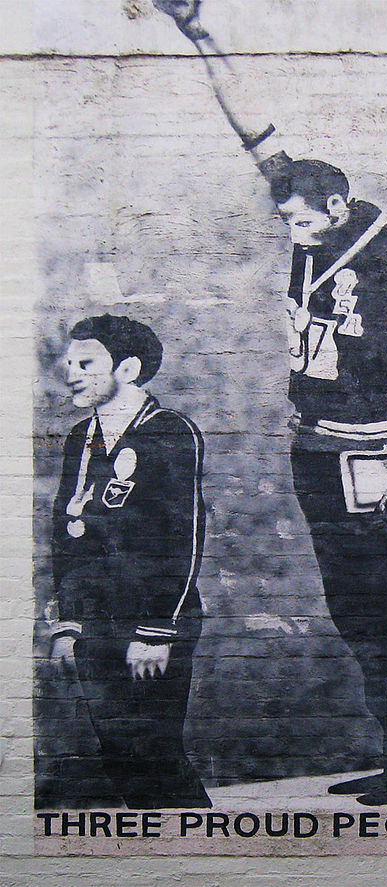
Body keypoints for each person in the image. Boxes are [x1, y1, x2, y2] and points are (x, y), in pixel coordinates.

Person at [151, 0, 387, 805]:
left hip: (380, 453)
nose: (293, 233)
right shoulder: (311, 220)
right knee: (357, 609)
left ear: (338, 207)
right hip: (316, 447)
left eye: (302, 221)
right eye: (285, 221)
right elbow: (255, 133)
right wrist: (200, 34)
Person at [49, 313, 211, 809]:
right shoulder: (82, 436)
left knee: (154, 749)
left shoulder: (170, 432)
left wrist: (156, 631)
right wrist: (69, 620)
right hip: (96, 618)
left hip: (153, 619)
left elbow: (183, 539)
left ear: (129, 368)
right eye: (68, 362)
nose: (70, 372)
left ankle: (203, 854)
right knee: (118, 751)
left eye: (85, 362)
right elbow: (67, 535)